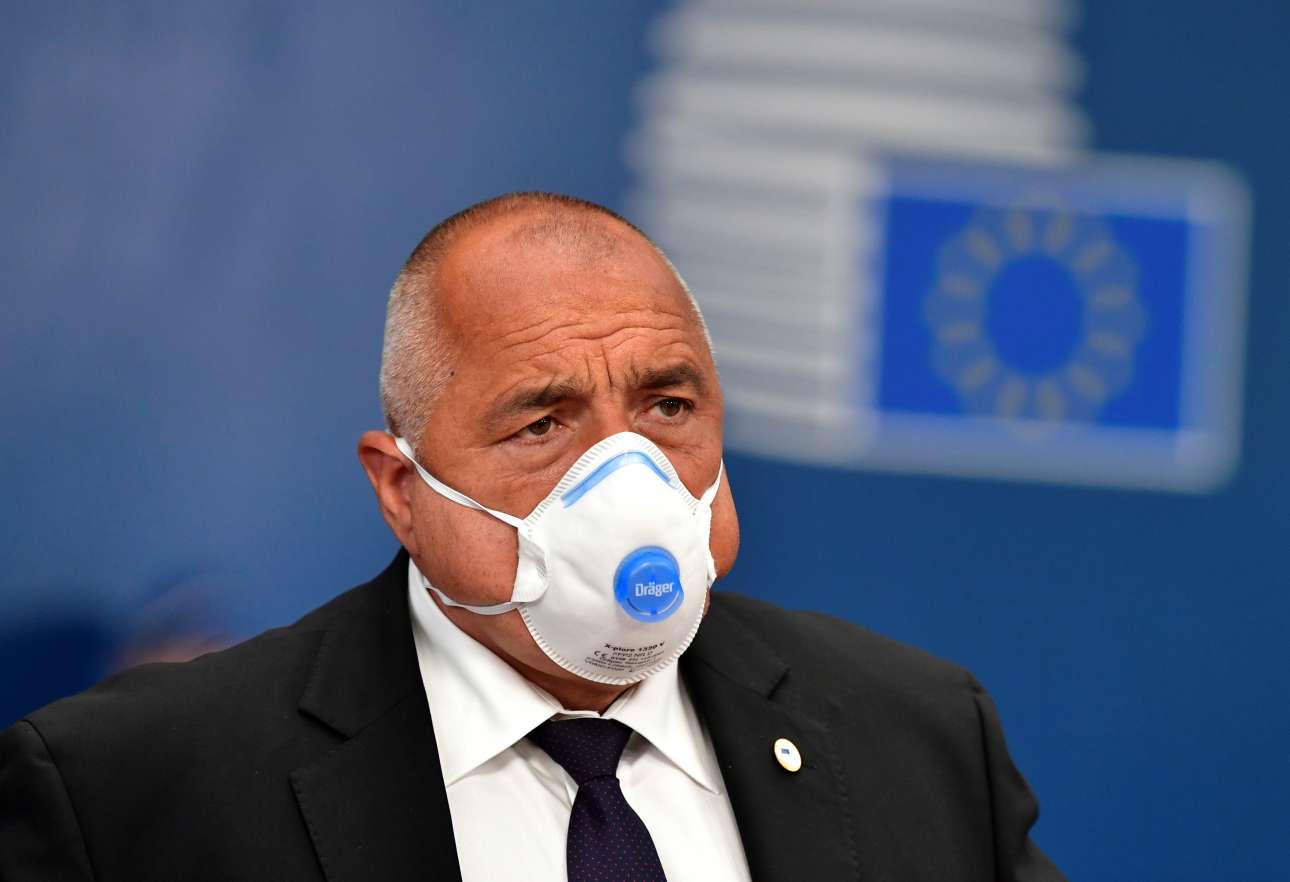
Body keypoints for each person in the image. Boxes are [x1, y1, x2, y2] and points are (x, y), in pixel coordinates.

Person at [0, 192, 1065, 881]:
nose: (627, 478)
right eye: (543, 424)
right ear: (401, 489)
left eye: (668, 407)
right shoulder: (132, 791)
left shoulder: (919, 742)